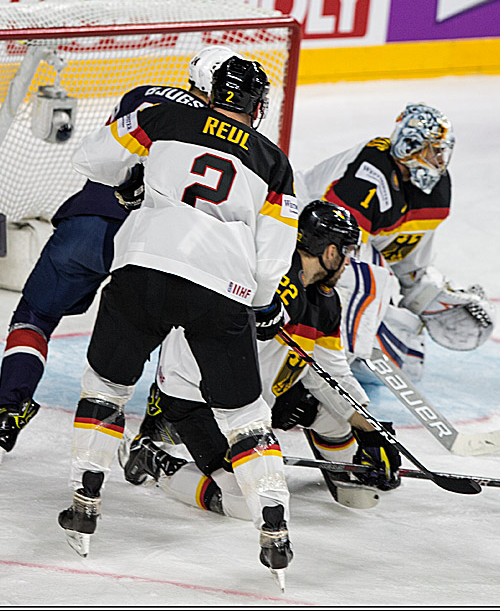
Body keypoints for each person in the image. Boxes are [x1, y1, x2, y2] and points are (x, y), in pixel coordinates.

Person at [55, 55, 299, 588]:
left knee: (106, 388)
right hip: (220, 287)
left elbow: (92, 158)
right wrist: (256, 300)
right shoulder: (276, 164)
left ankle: (84, 499)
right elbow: (270, 264)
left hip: (144, 265)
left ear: (209, 93)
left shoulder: (162, 116)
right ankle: (273, 526)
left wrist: (135, 178)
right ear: (257, 107)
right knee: (245, 417)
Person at [0, 45, 243, 469]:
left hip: (92, 219)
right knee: (175, 324)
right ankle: (158, 426)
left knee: (35, 315)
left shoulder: (142, 94)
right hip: (155, 239)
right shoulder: (225, 131)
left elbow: (101, 156)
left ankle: (6, 418)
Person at [120, 200, 402, 517]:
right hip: (198, 398)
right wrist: (245, 436)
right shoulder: (266, 276)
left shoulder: (324, 302)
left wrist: (371, 430)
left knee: (334, 417)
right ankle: (152, 458)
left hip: (254, 398)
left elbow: (331, 373)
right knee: (243, 501)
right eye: (347, 252)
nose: (349, 262)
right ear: (330, 251)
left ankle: (345, 473)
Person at [294, 103, 494, 384]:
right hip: (297, 236)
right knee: (369, 281)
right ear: (410, 146)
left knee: (406, 360)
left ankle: (342, 357)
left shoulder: (435, 190)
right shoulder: (369, 171)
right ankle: (329, 371)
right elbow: (341, 253)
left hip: (341, 253)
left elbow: (408, 258)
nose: (440, 160)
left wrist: (427, 293)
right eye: (433, 150)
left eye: (442, 151)